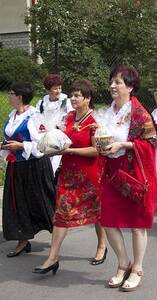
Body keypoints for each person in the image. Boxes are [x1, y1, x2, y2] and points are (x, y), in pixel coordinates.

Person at [32, 80, 107, 275]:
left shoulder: (95, 121)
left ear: (87, 98)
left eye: (77, 95)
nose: (72, 99)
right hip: (68, 174)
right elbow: (61, 140)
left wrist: (70, 151)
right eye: (72, 95)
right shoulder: (69, 117)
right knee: (61, 212)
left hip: (90, 175)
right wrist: (51, 147)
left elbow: (96, 151)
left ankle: (101, 246)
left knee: (97, 213)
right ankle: (52, 258)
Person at [99, 65, 157, 292]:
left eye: (118, 82)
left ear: (130, 86)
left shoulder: (140, 113)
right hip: (112, 171)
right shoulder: (108, 112)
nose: (113, 86)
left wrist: (123, 144)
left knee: (137, 224)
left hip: (133, 172)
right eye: (112, 81)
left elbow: (151, 143)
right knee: (108, 220)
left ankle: (138, 269)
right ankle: (123, 262)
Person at [1, 82, 55, 257]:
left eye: (11, 93)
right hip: (16, 167)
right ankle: (22, 240)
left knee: (43, 201)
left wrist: (21, 145)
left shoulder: (34, 117)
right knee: (17, 203)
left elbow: (42, 144)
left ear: (20, 97)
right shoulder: (12, 116)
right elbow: (10, 138)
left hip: (34, 166)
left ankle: (57, 235)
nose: (9, 96)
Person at [35, 74, 74, 174]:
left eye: (60, 88)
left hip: (61, 138)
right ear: (48, 90)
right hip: (44, 137)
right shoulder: (41, 103)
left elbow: (71, 120)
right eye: (55, 89)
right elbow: (37, 119)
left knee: (55, 166)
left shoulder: (67, 102)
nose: (58, 91)